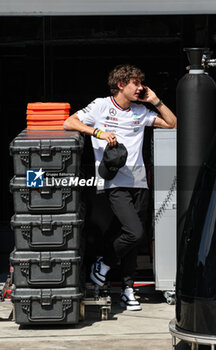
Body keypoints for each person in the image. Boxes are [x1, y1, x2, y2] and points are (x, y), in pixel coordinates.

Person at [63, 64, 176, 311]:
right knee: (134, 232)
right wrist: (98, 132)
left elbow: (172, 123)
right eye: (136, 83)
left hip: (139, 182)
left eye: (141, 83)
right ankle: (103, 265)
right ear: (121, 84)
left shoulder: (140, 110)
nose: (141, 87)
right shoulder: (101, 105)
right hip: (114, 181)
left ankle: (127, 289)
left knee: (135, 239)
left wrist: (156, 101)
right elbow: (69, 123)